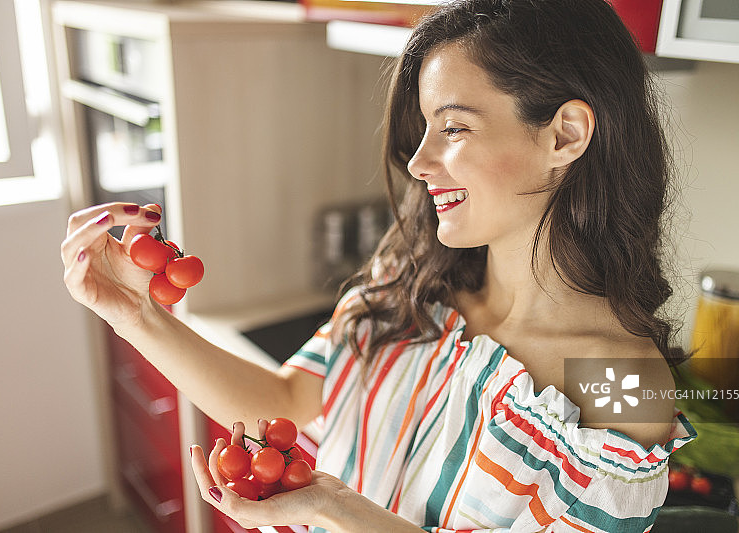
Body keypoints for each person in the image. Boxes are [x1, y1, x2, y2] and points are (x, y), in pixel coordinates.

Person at [61, 0, 697, 530]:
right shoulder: (413, 277)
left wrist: (334, 507)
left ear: (565, 135)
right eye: (425, 129)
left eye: (454, 128)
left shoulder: (623, 383)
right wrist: (138, 316)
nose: (418, 163)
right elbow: (285, 398)